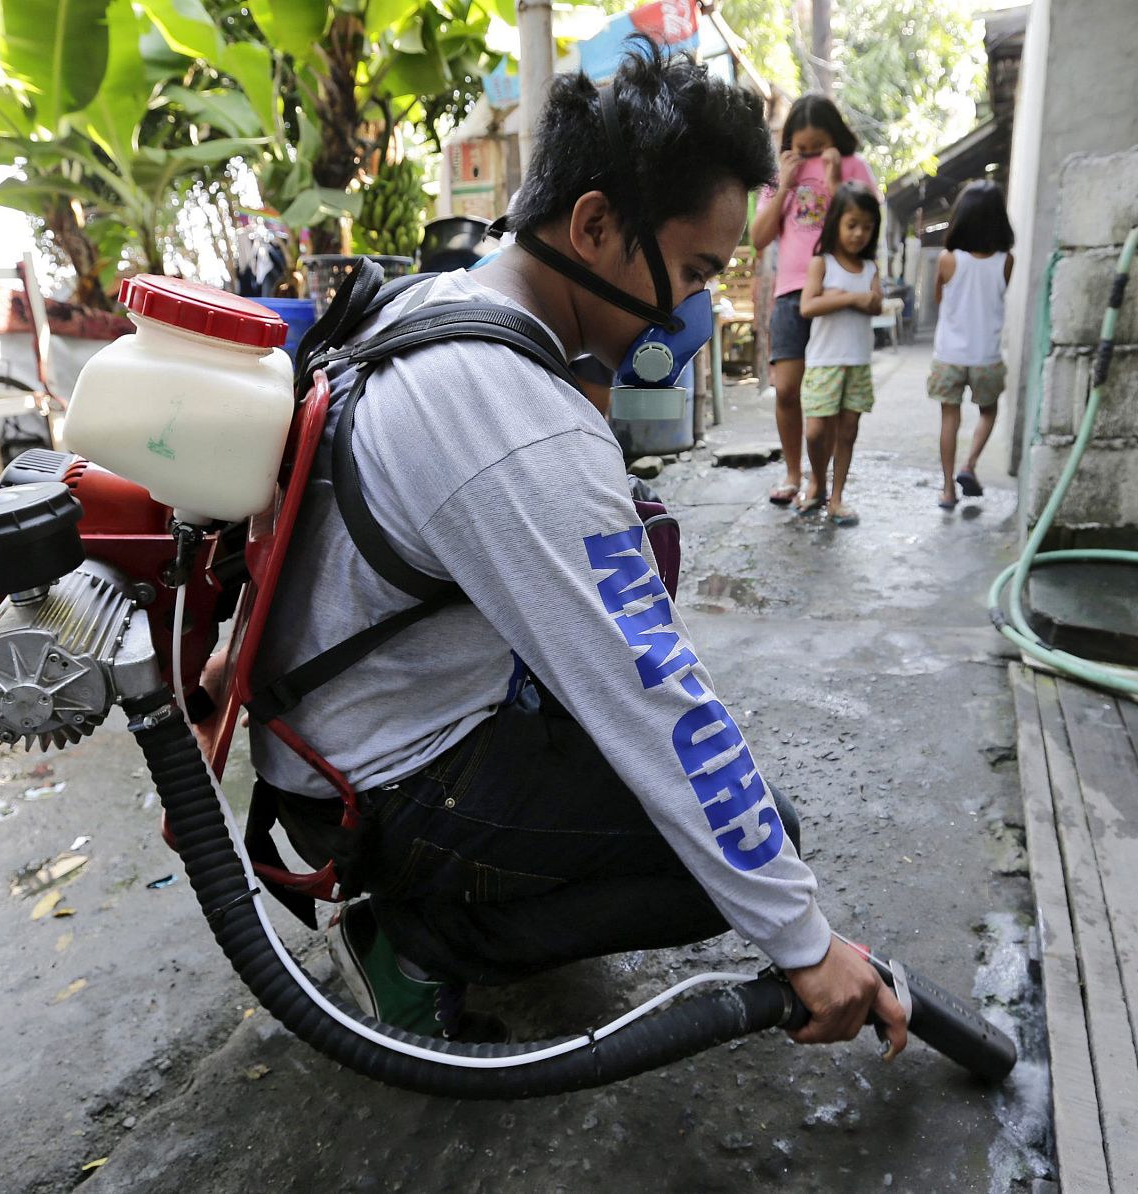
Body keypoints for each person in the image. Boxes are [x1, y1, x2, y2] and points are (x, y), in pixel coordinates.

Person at [250, 47, 908, 1058]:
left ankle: (461, 894)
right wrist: (806, 943)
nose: (687, 310)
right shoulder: (522, 424)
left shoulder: (434, 306)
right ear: (594, 225)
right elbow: (656, 697)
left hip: (328, 742)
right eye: (690, 272)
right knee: (748, 840)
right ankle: (416, 937)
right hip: (386, 782)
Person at [749, 96, 878, 508]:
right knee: (787, 390)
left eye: (818, 145)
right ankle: (794, 472)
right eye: (802, 148)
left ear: (835, 138)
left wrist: (836, 178)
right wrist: (786, 184)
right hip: (791, 293)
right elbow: (759, 238)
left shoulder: (854, 167)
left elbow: (865, 226)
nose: (810, 156)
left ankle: (827, 485)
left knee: (837, 401)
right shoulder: (779, 173)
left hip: (838, 295)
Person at [795, 184, 883, 527]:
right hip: (823, 362)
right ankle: (817, 481)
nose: (859, 233)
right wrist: (849, 298)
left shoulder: (871, 268)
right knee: (816, 432)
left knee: (847, 432)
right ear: (836, 223)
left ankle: (836, 498)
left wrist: (848, 298)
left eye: (867, 226)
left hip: (858, 363)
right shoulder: (822, 263)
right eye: (852, 224)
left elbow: (876, 303)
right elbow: (807, 306)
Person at [929, 181, 1015, 509]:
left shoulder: (948, 259)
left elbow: (940, 298)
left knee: (949, 419)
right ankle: (970, 465)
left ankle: (948, 489)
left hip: (949, 355)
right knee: (988, 411)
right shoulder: (1007, 261)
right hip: (986, 356)